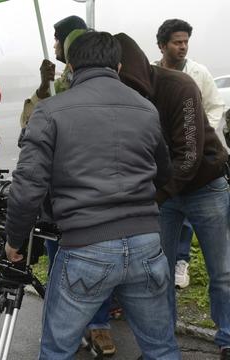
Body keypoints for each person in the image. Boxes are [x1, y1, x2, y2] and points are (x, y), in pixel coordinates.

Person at [4, 30, 178, 360]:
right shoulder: (145, 109)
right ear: (119, 64)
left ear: (70, 65)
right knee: (162, 346)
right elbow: (164, 173)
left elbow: (27, 185)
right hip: (146, 246)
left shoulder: (50, 112)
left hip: (86, 247)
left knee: (57, 349)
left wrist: (15, 239)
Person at [116, 32, 230, 359]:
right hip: (163, 193)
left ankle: (227, 338)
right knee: (158, 275)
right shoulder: (122, 94)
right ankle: (161, 347)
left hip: (205, 186)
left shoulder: (178, 86)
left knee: (222, 272)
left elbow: (190, 156)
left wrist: (153, 197)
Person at [20, 15, 119, 357]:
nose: (56, 45)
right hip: (57, 192)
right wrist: (43, 84)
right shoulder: (59, 80)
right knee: (58, 258)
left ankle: (100, 325)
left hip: (89, 187)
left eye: (57, 39)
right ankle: (69, 327)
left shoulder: (90, 80)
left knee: (97, 256)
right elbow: (33, 121)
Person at [154, 18, 226, 289]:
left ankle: (225, 332)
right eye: (177, 42)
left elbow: (215, 106)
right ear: (162, 46)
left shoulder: (199, 73)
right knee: (160, 265)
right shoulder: (152, 77)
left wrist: (194, 130)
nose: (183, 47)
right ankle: (177, 262)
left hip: (202, 175)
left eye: (185, 42)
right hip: (169, 175)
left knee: (222, 272)